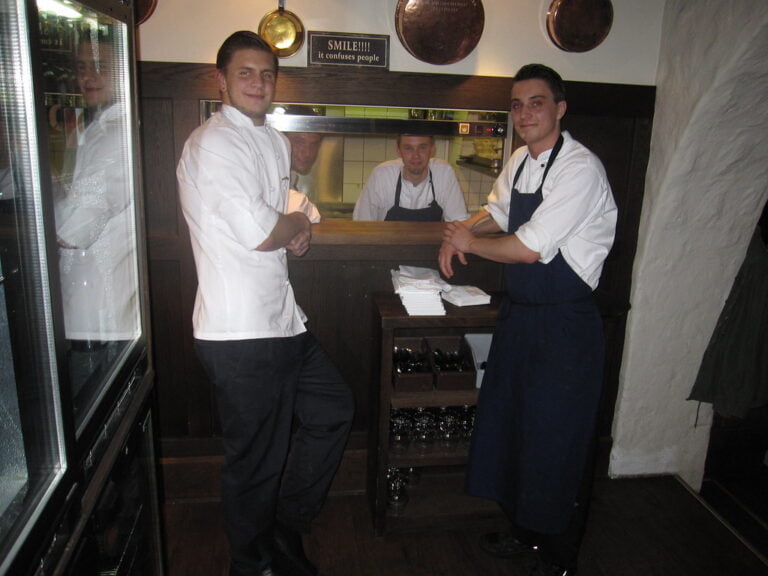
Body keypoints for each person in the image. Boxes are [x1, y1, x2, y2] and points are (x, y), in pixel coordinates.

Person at [176, 31, 354, 576]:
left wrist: (301, 224)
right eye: (246, 73)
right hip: (241, 333)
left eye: (267, 74)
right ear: (221, 80)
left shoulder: (273, 140)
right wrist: (294, 226)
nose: (258, 83)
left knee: (332, 410)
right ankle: (251, 565)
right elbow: (261, 229)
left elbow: (288, 205)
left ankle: (283, 524)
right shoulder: (214, 144)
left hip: (282, 322)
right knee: (255, 461)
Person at [439, 64, 617, 576]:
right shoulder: (519, 159)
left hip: (565, 326)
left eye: (536, 103)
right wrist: (460, 229)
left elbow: (530, 248)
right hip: (521, 318)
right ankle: (525, 532)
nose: (524, 114)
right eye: (517, 105)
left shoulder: (580, 169)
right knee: (515, 428)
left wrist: (468, 242)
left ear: (560, 109)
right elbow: (496, 210)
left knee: (558, 439)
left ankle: (561, 555)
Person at [54, 33, 139, 421]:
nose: (88, 76)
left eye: (100, 67)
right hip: (91, 314)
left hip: (99, 319)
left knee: (96, 437)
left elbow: (73, 229)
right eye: (82, 66)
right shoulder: (95, 130)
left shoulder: (115, 135)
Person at [352, 134, 469, 222]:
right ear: (399, 151)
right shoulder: (382, 175)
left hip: (432, 251)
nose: (416, 155)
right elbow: (362, 223)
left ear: (432, 149)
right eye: (408, 148)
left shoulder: (444, 173)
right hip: (387, 251)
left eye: (422, 147)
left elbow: (458, 222)